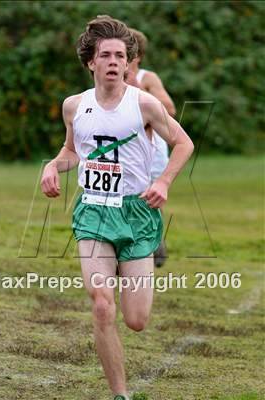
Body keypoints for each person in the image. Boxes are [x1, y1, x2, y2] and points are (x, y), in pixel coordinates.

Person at [41, 15, 194, 400]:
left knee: (137, 320)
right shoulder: (74, 106)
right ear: (91, 62)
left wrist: (162, 181)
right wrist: (51, 166)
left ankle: (130, 270)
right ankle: (120, 395)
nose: (112, 61)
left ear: (128, 63)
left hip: (137, 214)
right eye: (105, 54)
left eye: (119, 55)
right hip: (93, 212)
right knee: (101, 305)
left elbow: (184, 143)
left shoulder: (144, 104)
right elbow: (72, 152)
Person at [126, 28, 177, 268]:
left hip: (152, 153)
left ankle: (153, 243)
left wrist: (138, 89)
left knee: (146, 200)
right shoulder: (111, 75)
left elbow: (170, 109)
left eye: (130, 50)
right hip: (123, 152)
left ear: (139, 56)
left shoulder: (148, 78)